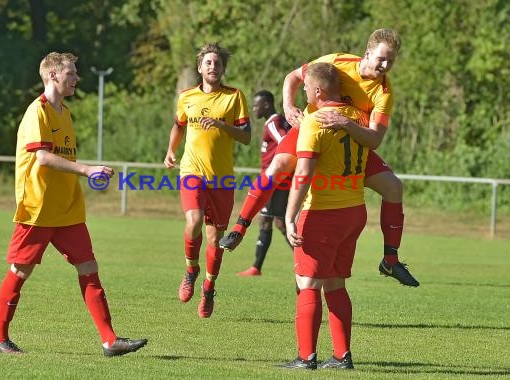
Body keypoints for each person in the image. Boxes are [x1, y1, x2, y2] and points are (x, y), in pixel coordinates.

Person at [220, 28, 419, 287]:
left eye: (391, 61)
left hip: (348, 142)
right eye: (381, 58)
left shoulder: (383, 93)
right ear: (367, 53)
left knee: (394, 187)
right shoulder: (338, 62)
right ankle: (240, 227)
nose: (385, 65)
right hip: (311, 132)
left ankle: (390, 261)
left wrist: (345, 123)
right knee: (278, 165)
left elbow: (375, 139)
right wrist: (288, 105)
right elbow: (292, 77)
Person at [0, 52, 147, 356]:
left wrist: (89, 174)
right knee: (20, 271)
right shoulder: (38, 111)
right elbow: (43, 158)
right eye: (71, 73)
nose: (76, 78)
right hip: (38, 209)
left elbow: (62, 159)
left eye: (75, 73)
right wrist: (87, 170)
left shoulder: (65, 112)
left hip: (67, 209)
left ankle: (110, 341)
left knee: (88, 267)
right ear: (53, 75)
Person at [280, 62, 369, 370]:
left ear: (318, 90)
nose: (303, 91)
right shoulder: (357, 116)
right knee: (335, 283)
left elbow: (303, 174)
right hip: (355, 210)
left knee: (307, 283)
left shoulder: (315, 121)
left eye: (306, 87)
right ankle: (342, 356)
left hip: (323, 213)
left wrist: (290, 215)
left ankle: (306, 358)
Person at [163, 42, 251, 318]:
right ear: (200, 67)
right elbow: (178, 125)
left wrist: (223, 126)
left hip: (222, 179)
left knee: (216, 239)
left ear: (224, 69)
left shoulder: (235, 97)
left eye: (218, 63)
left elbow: (246, 136)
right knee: (193, 221)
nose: (213, 67)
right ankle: (191, 270)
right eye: (208, 63)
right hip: (192, 171)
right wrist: (170, 151)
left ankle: (209, 287)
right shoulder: (187, 96)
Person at [236, 90, 292, 277]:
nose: (254, 109)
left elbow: (285, 140)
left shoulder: (274, 122)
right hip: (278, 179)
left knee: (277, 222)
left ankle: (307, 264)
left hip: (275, 180)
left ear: (266, 104)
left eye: (256, 105)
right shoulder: (280, 120)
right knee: (274, 221)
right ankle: (256, 267)